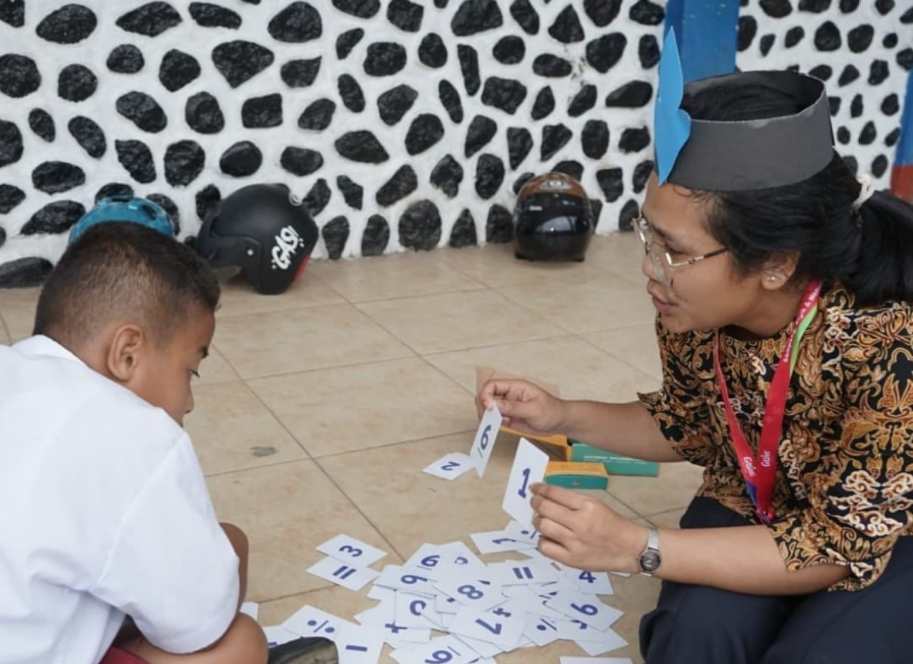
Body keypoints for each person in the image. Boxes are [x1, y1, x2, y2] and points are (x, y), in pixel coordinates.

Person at [477, 41, 913, 664]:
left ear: (775, 263)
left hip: (887, 531)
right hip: (758, 491)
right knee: (695, 640)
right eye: (647, 235)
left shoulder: (888, 341)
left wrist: (639, 546)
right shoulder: (692, 305)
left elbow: (838, 542)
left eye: (673, 249)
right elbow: (694, 421)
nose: (652, 269)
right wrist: (562, 414)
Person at [0, 222, 268, 664]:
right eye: (190, 371)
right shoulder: (137, 433)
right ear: (126, 353)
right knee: (239, 639)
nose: (189, 401)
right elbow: (200, 624)